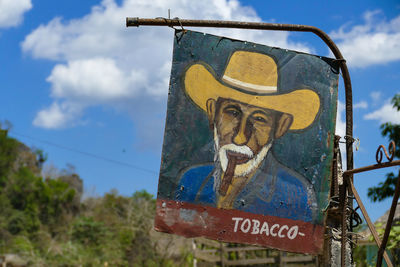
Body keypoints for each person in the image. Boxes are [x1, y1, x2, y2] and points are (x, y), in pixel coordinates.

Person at [175, 50, 320, 223]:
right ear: (213, 112)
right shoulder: (191, 180)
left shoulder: (296, 196)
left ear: (280, 126)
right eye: (232, 112)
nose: (240, 138)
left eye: (259, 119)